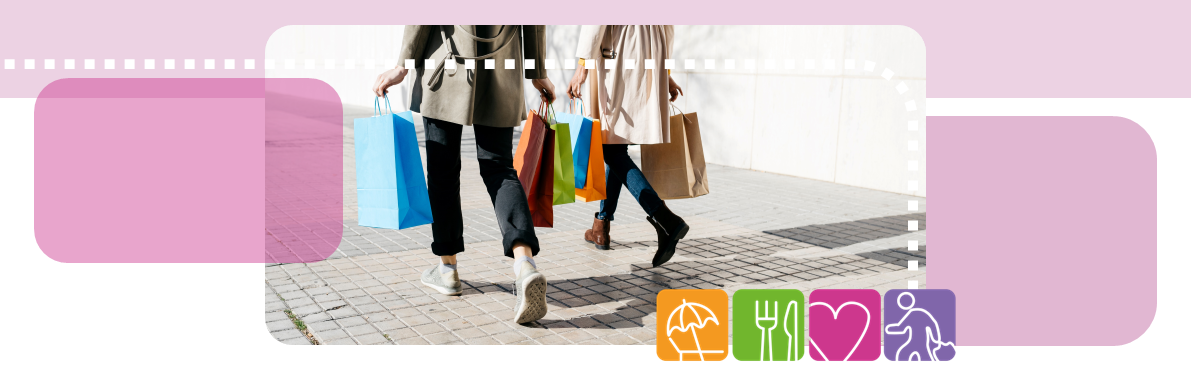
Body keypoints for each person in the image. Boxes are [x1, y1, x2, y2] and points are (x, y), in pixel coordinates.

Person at [372, 25, 556, 324]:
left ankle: (448, 269)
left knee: (443, 171)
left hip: (448, 65)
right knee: (500, 168)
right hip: (500, 69)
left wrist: (402, 65)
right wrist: (537, 71)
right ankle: (525, 265)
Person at [568, 25, 689, 267]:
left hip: (620, 50)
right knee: (615, 144)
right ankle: (601, 225)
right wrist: (663, 72)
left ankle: (664, 218)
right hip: (648, 49)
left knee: (609, 148)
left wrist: (582, 66)